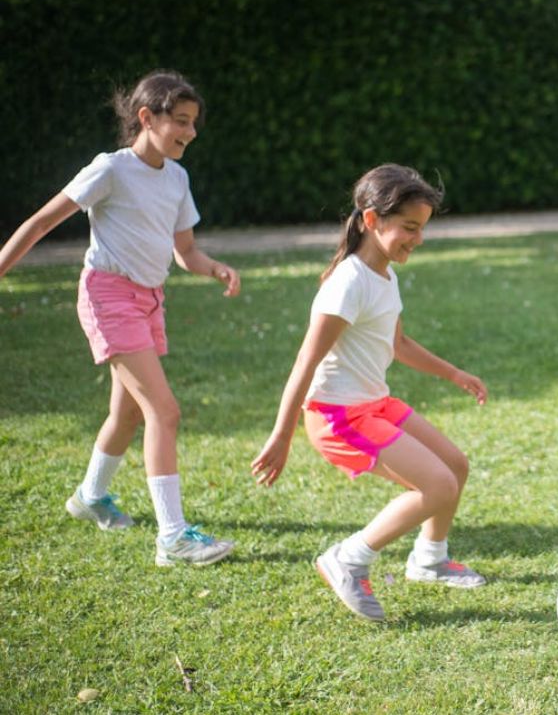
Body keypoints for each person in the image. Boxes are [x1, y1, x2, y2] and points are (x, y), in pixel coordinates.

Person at [0, 70, 240, 566]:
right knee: (164, 411)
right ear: (146, 117)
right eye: (180, 121)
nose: (190, 133)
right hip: (108, 295)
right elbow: (43, 220)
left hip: (149, 299)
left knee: (129, 411)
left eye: (194, 123)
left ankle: (90, 497)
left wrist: (214, 268)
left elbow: (186, 252)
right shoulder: (110, 169)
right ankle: (172, 538)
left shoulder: (177, 178)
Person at [251, 164, 488, 623]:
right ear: (372, 219)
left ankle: (429, 560)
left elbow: (397, 344)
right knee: (437, 485)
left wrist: (454, 373)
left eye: (421, 230)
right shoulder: (348, 283)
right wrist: (282, 436)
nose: (416, 240)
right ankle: (349, 558)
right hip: (337, 415)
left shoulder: (383, 274)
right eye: (409, 228)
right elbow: (306, 362)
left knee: (455, 466)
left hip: (374, 403)